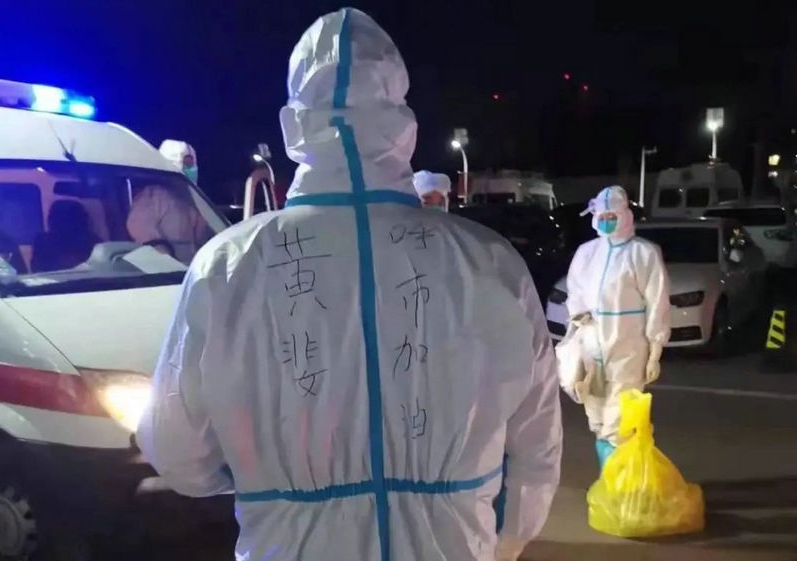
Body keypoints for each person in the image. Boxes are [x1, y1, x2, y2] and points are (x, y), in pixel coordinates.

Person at [136, 8, 561, 561]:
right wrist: (506, 536)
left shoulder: (227, 266)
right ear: (402, 122)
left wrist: (265, 479)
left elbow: (176, 451)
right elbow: (537, 444)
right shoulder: (490, 262)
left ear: (294, 123)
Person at [565, 185, 670, 470]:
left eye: (612, 216)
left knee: (619, 422)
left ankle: (619, 484)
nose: (607, 221)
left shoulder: (643, 253)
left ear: (625, 215)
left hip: (628, 348)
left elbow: (657, 301)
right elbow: (575, 292)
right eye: (602, 216)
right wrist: (578, 320)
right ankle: (612, 480)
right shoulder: (586, 253)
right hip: (592, 346)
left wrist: (655, 351)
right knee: (598, 420)